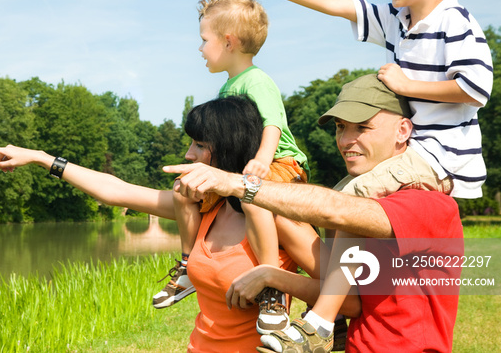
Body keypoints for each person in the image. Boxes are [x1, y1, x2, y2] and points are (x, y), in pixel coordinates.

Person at [228, 0, 492, 343]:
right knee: (342, 202)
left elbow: (476, 86)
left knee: (348, 200)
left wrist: (409, 84)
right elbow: (339, 3)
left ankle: (322, 318)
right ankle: (336, 303)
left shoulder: (454, 22)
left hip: (438, 154)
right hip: (416, 148)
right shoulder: (400, 21)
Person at [0, 96, 323, 353]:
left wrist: (274, 277)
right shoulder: (203, 207)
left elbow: (346, 298)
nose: (188, 154)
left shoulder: (278, 216)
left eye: (199, 145)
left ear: (228, 148)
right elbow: (117, 191)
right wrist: (42, 158)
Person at [165, 75, 464, 353]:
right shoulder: (357, 203)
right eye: (340, 127)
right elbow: (354, 300)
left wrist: (236, 183)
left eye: (362, 127)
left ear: (403, 131)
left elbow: (335, 210)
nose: (346, 141)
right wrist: (274, 276)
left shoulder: (427, 204)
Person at [155, 0, 309, 337]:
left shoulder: (257, 81)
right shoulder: (228, 88)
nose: (199, 48)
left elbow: (272, 125)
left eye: (203, 39)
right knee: (182, 191)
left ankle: (271, 288)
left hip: (279, 162)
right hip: (241, 167)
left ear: (228, 42)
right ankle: (186, 265)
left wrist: (259, 163)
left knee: (252, 198)